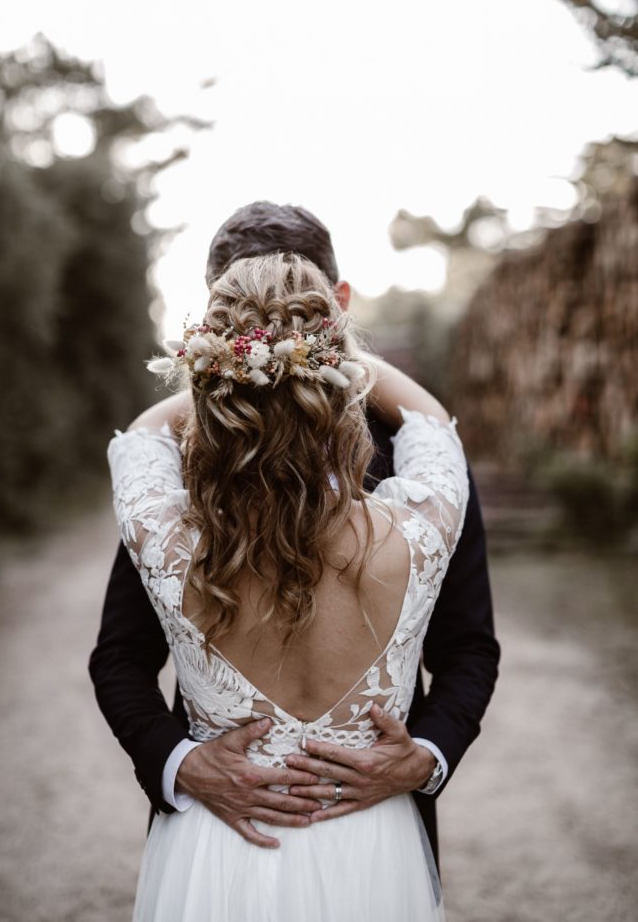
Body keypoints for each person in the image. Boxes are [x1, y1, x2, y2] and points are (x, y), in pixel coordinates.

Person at [90, 202, 500, 868]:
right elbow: (119, 655)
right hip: (273, 826)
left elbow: (469, 649)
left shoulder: (154, 486)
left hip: (274, 844)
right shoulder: (430, 484)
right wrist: (177, 763)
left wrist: (423, 758)